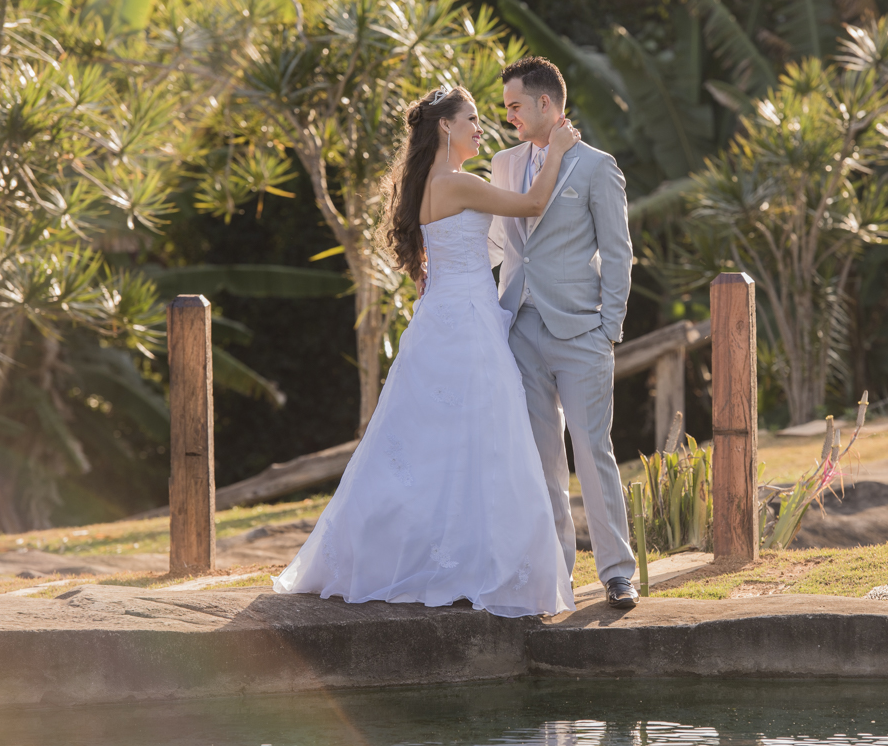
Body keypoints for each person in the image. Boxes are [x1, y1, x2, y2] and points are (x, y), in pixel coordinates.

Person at [272, 86, 581, 618]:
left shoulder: (423, 188)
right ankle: (475, 561)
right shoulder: (460, 184)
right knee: (485, 438)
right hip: (469, 322)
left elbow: (441, 257)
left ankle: (415, 551)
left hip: (440, 316)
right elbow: (532, 204)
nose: (481, 127)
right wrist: (556, 151)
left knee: (424, 441)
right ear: (445, 127)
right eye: (472, 119)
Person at [487, 57, 639, 609]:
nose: (508, 117)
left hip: (582, 333)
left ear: (546, 105)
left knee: (593, 451)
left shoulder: (597, 167)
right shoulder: (504, 164)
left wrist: (609, 330)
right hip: (520, 329)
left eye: (514, 106)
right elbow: (501, 243)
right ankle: (554, 576)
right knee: (540, 459)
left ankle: (618, 571)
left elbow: (620, 254)